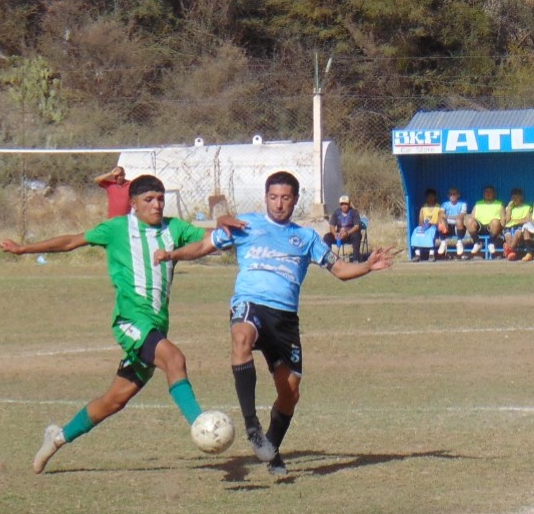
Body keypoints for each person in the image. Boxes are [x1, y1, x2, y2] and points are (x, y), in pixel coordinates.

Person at [159, 171, 395, 477]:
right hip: (250, 303)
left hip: (284, 318)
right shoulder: (245, 225)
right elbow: (204, 246)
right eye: (273, 197)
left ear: (295, 200)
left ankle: (271, 448)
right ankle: (252, 426)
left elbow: (338, 269)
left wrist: (367, 265)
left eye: (285, 198)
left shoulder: (306, 237)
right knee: (241, 337)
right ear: (265, 197)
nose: (279, 203)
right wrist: (171, 254)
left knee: (290, 392)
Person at [0, 174, 218, 474]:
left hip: (156, 325)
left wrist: (226, 228)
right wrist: (25, 249)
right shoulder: (117, 229)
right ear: (133, 204)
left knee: (114, 400)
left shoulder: (174, 229)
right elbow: (71, 241)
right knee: (174, 359)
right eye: (148, 200)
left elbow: (208, 243)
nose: (156, 205)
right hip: (130, 321)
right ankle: (201, 426)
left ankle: (57, 438)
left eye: (160, 199)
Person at [322, 195, 363, 262]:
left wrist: (347, 233)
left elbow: (356, 226)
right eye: (342, 204)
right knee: (327, 237)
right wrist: (335, 234)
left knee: (357, 236)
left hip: (350, 235)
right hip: (339, 235)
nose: (344, 206)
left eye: (345, 204)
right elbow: (332, 226)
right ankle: (329, 259)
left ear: (349, 204)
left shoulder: (354, 212)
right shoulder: (336, 213)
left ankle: (355, 259)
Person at [466, 185, 504, 257]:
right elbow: (472, 216)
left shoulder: (499, 204)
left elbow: (503, 218)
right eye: (486, 192)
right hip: (479, 226)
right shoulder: (478, 203)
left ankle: (491, 243)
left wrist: (501, 229)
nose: (488, 193)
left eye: (490, 192)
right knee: (469, 220)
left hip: (493, 228)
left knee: (495, 221)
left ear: (494, 193)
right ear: (483, 194)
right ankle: (477, 243)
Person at [413, 188, 445, 261]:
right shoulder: (423, 208)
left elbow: (441, 219)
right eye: (428, 197)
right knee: (416, 231)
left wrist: (432, 224)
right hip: (425, 226)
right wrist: (423, 226)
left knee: (431, 232)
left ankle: (431, 254)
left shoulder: (439, 207)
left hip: (435, 227)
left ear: (435, 197)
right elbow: (420, 221)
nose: (430, 198)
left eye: (432, 196)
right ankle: (417, 254)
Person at [501, 188, 532, 261]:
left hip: (520, 226)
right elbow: (507, 221)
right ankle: (511, 253)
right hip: (509, 226)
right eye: (513, 197)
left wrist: (516, 221)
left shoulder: (527, 207)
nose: (515, 199)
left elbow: (528, 219)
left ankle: (509, 250)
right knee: (508, 236)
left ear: (521, 197)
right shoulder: (510, 208)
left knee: (517, 234)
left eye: (517, 197)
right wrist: (509, 209)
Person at [441, 187, 469, 258]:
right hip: (448, 226)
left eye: (454, 194)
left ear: (458, 195)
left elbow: (462, 215)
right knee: (440, 219)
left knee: (459, 220)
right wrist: (449, 217)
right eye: (450, 194)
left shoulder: (463, 204)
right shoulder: (444, 204)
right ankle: (443, 242)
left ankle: (459, 242)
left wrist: (448, 216)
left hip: (459, 226)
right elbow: (441, 214)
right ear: (448, 196)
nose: (452, 196)